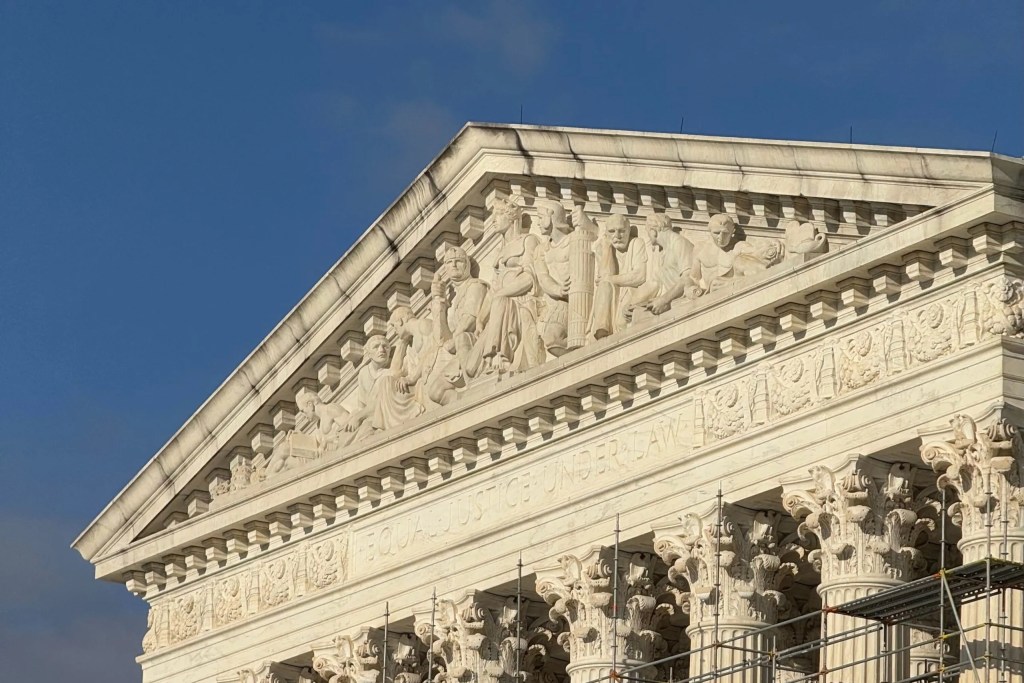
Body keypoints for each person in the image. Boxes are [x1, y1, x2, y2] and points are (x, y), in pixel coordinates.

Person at [472, 197, 545, 374]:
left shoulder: (528, 241)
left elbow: (530, 278)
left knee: (501, 302)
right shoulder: (499, 252)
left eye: (498, 215)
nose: (493, 221)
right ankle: (492, 356)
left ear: (511, 217)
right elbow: (494, 290)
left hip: (522, 302)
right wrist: (481, 318)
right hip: (500, 307)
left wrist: (502, 295)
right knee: (470, 367)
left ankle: (500, 355)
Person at [428, 246, 489, 405]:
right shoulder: (453, 299)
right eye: (449, 262)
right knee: (435, 391)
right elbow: (443, 340)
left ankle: (473, 395)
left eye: (459, 261)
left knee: (462, 337)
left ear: (467, 265)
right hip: (461, 351)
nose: (454, 265)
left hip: (477, 346)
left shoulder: (476, 285)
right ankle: (466, 407)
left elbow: (470, 319)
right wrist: (438, 301)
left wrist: (454, 341)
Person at [345, 334, 423, 438]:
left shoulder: (389, 373)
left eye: (385, 347)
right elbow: (361, 406)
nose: (381, 350)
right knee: (345, 436)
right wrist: (354, 417)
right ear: (368, 353)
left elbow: (378, 404)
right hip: (366, 417)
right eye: (376, 347)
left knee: (364, 433)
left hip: (378, 418)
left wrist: (358, 417)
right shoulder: (363, 373)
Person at [588, 213, 649, 337]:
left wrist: (611, 279)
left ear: (629, 231)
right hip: (614, 296)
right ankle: (602, 330)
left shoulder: (637, 243)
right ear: (606, 234)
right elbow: (604, 280)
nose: (617, 236)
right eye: (612, 231)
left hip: (632, 293)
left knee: (607, 283)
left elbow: (640, 276)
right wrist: (606, 248)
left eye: (622, 231)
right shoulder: (604, 248)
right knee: (605, 286)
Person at [531, 198, 574, 356]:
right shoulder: (541, 250)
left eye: (540, 217)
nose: (537, 223)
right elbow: (543, 278)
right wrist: (559, 289)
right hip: (555, 303)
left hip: (574, 303)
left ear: (551, 217)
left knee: (552, 338)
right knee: (549, 339)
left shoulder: (573, 241)